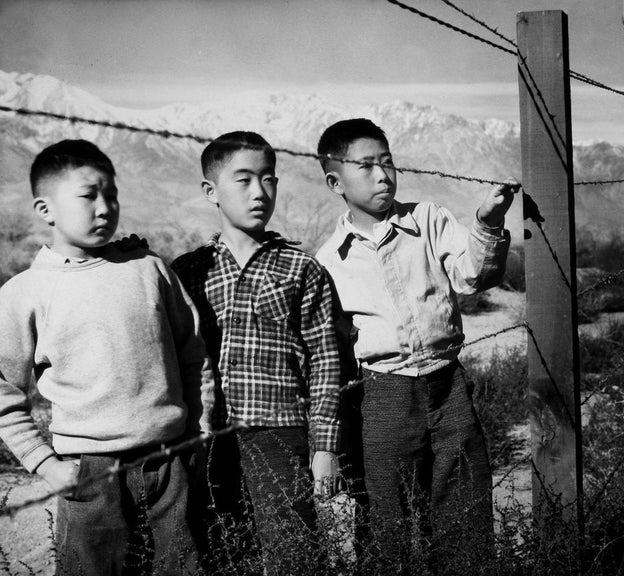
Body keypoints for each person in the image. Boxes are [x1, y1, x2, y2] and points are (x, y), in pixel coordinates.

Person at [0, 139, 214, 575]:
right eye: (88, 196)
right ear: (46, 210)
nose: (105, 208)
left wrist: (199, 429)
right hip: (90, 473)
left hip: (171, 461)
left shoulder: (148, 269)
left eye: (112, 195)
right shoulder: (24, 294)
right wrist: (45, 464)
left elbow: (193, 352)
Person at [315, 118, 517, 555]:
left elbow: (474, 276)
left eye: (387, 162)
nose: (383, 175)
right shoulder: (330, 260)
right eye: (365, 166)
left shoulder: (427, 219)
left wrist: (487, 221)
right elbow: (331, 350)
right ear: (336, 182)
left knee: (463, 505)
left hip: (449, 385)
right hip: (382, 395)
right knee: (390, 518)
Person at [172, 131, 342, 573]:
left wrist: (325, 446)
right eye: (243, 180)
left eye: (268, 179)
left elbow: (325, 360)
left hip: (280, 431)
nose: (259, 192)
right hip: (206, 436)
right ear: (210, 191)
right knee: (219, 548)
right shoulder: (187, 271)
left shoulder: (302, 268)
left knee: (294, 549)